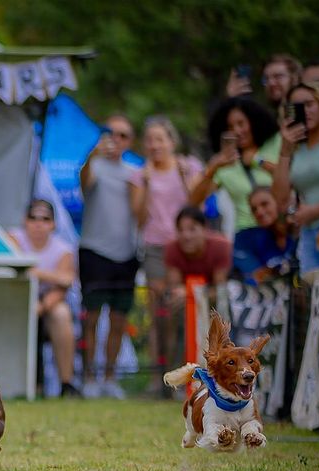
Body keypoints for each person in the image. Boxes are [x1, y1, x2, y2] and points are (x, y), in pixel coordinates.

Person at [129, 116, 203, 386]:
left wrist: (184, 178)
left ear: (172, 142)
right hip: (155, 248)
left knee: (183, 311)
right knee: (159, 313)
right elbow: (138, 218)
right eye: (149, 140)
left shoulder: (189, 166)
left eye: (160, 139)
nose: (154, 145)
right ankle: (156, 379)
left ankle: (184, 375)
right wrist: (147, 184)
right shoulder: (140, 174)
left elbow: (198, 206)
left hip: (185, 247)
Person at [77, 115, 137, 399]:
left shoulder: (134, 173)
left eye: (122, 135)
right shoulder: (94, 166)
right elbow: (84, 180)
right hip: (94, 251)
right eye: (111, 133)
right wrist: (92, 154)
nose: (116, 139)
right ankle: (89, 377)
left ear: (130, 141)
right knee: (90, 318)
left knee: (118, 320)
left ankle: (110, 377)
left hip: (127, 254)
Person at [12, 200, 79, 398]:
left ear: (53, 224)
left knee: (62, 314)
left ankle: (66, 383)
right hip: (15, 301)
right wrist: (52, 276)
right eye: (33, 218)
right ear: (25, 221)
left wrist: (42, 304)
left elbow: (65, 284)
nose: (38, 224)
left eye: (45, 219)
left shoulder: (63, 250)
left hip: (47, 303)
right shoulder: (13, 238)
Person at [190, 98, 280, 231]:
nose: (237, 131)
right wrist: (213, 168)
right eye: (230, 127)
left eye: (241, 123)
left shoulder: (275, 144)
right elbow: (194, 201)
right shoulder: (225, 164)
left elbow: (289, 179)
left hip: (280, 229)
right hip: (246, 233)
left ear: (253, 121)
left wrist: (258, 160)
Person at [272, 82, 319, 278]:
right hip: (309, 234)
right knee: (311, 292)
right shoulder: (296, 149)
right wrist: (284, 150)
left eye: (309, 104)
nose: (304, 111)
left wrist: (315, 211)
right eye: (297, 107)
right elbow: (280, 200)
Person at [165, 206, 232, 314]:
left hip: (216, 303)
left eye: (192, 229)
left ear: (205, 229)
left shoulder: (220, 247)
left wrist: (191, 294)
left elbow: (220, 291)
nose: (186, 236)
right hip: (186, 303)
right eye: (181, 230)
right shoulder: (172, 249)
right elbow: (175, 289)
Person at [233, 187, 296, 285]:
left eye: (265, 204)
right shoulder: (250, 238)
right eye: (254, 209)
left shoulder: (299, 230)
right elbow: (255, 278)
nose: (259, 212)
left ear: (279, 202)